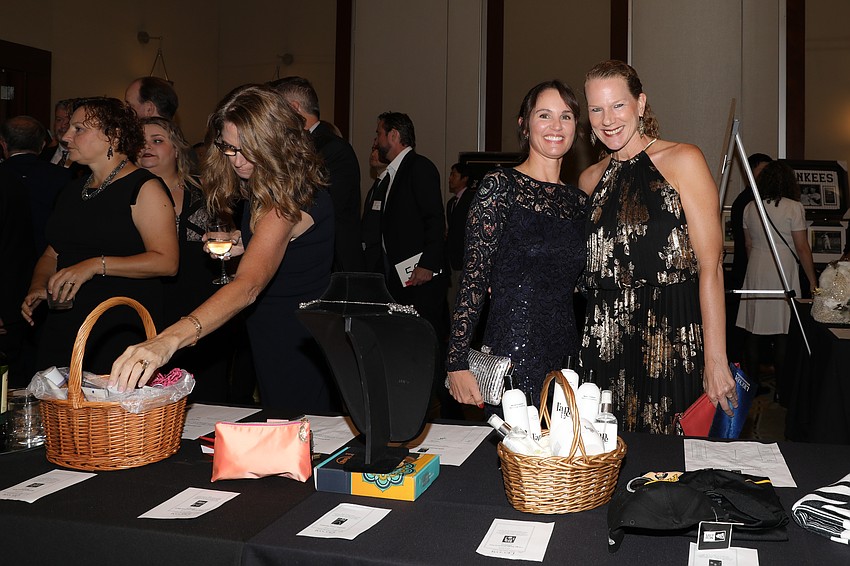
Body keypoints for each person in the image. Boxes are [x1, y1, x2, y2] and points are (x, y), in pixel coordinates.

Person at [109, 84, 336, 415]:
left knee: (296, 427)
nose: (238, 161)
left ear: (276, 142)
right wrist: (247, 242)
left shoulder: (286, 199)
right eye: (229, 148)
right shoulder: (276, 183)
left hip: (294, 336)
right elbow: (289, 242)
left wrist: (167, 341)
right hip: (274, 329)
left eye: (249, 150)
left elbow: (248, 286)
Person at [579, 60, 737, 434]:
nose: (607, 119)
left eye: (618, 105)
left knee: (673, 460)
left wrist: (716, 358)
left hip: (672, 337)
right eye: (597, 109)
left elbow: (711, 266)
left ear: (640, 103)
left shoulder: (684, 160)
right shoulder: (589, 180)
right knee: (605, 454)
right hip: (605, 341)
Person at [446, 80, 588, 410]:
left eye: (566, 116)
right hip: (513, 351)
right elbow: (474, 279)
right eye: (544, 115)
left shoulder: (579, 202)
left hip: (566, 354)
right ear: (524, 125)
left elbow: (582, 282)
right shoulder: (500, 186)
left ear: (575, 128)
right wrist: (456, 360)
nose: (556, 126)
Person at [21, 97, 178, 374]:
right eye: (69, 128)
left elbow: (166, 262)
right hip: (65, 324)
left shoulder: (143, 188)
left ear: (113, 136)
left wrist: (94, 265)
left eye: (79, 129)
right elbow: (52, 253)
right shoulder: (73, 189)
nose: (66, 136)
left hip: (116, 325)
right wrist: (38, 286)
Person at [138, 117, 231, 401]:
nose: (146, 147)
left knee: (207, 391)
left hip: (201, 301)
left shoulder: (206, 192)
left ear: (177, 148)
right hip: (149, 303)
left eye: (157, 140)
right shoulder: (126, 195)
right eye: (140, 142)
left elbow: (228, 235)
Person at [362, 111, 449, 413]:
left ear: (394, 135)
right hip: (398, 279)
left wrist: (428, 264)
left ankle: (444, 408)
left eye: (379, 133)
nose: (376, 140)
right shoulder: (390, 176)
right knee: (406, 347)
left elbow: (435, 219)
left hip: (421, 279)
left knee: (427, 345)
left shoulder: (418, 167)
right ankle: (411, 405)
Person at [269, 76, 364, 272]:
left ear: (294, 108)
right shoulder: (300, 147)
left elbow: (324, 206)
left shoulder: (333, 149)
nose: (273, 118)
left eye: (278, 109)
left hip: (331, 263)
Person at [735, 161, 817, 384]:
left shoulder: (750, 207)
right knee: (783, 330)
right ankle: (782, 388)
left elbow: (748, 244)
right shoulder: (793, 207)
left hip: (756, 267)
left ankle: (751, 387)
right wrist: (812, 280)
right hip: (783, 268)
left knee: (752, 330)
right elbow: (802, 247)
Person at [445, 161, 474, 308]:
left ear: (464, 178)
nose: (450, 178)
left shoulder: (472, 199)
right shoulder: (451, 203)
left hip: (466, 259)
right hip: (451, 260)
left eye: (454, 175)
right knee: (451, 300)